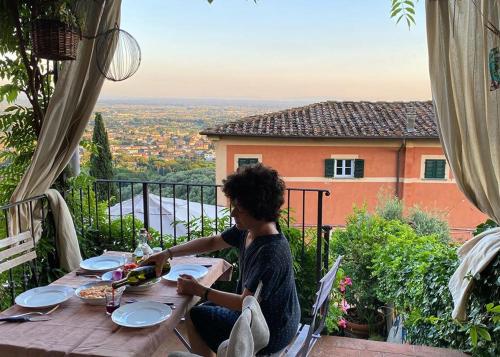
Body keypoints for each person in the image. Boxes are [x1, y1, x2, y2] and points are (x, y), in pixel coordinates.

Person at [142, 163, 300, 356]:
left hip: (269, 331)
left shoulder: (269, 253)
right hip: (270, 316)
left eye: (239, 209)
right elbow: (211, 242)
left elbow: (243, 302)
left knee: (195, 314)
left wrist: (199, 290)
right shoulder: (252, 229)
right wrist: (167, 254)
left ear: (259, 210)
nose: (233, 213)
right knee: (202, 309)